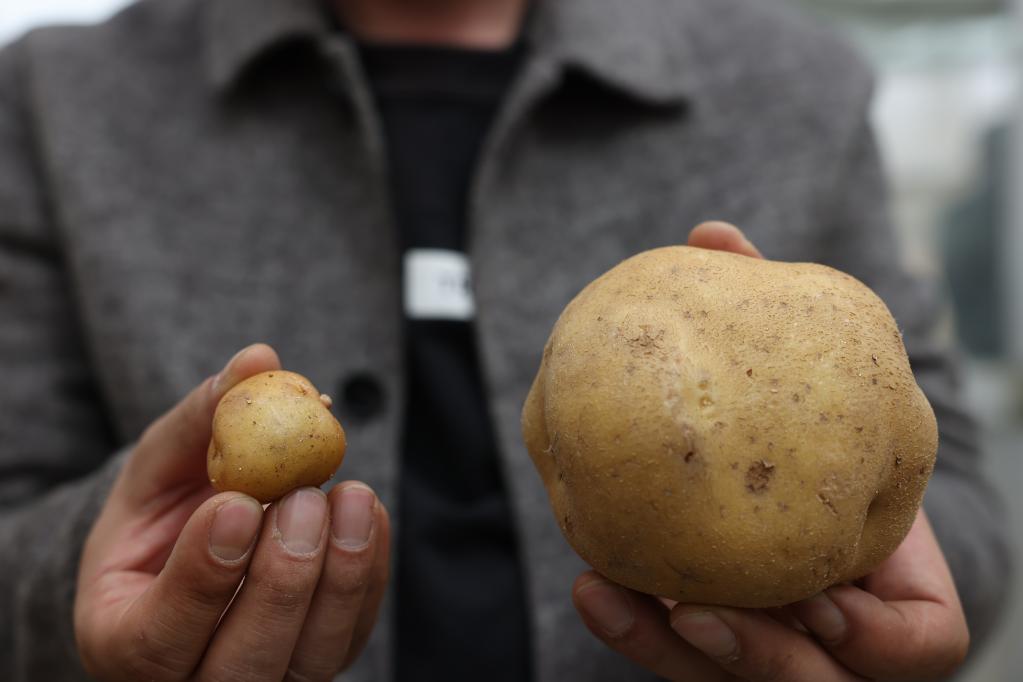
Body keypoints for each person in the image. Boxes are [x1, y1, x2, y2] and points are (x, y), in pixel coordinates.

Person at [0, 0, 1012, 680]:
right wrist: (78, 594)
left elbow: (956, 485)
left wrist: (870, 600)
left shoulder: (796, 83)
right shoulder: (56, 97)